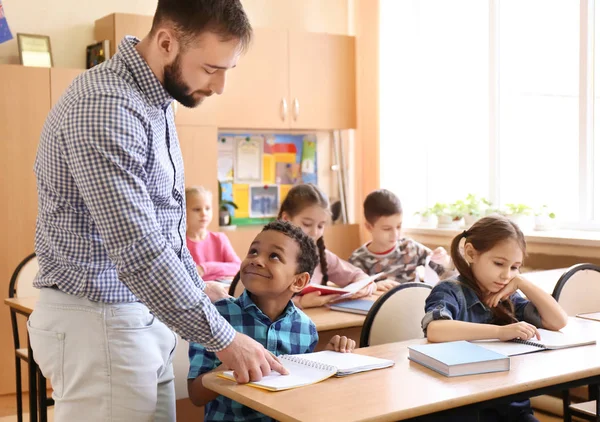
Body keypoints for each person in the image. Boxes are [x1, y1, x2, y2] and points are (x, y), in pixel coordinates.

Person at [27, 1, 286, 421]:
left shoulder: (153, 99)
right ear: (167, 42)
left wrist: (196, 286)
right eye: (211, 69)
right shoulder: (106, 106)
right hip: (101, 323)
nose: (219, 86)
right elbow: (139, 248)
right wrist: (225, 338)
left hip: (133, 319)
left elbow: (163, 227)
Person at [188, 220, 356, 421]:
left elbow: (300, 393)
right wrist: (228, 369)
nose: (257, 260)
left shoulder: (305, 328)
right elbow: (196, 395)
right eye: (253, 251)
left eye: (274, 256)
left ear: (299, 281)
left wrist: (328, 358)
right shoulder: (215, 317)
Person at [422, 215, 568, 422]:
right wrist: (500, 332)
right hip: (467, 407)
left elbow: (559, 321)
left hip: (510, 407)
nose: (506, 275)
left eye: (514, 267)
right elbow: (436, 329)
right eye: (499, 263)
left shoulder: (507, 296)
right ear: (471, 253)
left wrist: (521, 282)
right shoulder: (449, 291)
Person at [278, 184, 374, 309]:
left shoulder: (320, 256)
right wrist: (300, 302)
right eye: (307, 224)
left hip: (315, 323)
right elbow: (258, 300)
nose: (315, 233)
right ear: (286, 219)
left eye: (320, 226)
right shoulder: (269, 256)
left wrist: (365, 285)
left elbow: (357, 275)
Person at [349, 189, 453, 291]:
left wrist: (444, 260)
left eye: (399, 226)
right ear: (369, 227)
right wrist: (374, 286)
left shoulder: (410, 248)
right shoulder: (358, 260)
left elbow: (446, 273)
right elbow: (353, 291)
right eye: (387, 229)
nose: (395, 234)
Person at [186, 186, 241, 284]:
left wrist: (204, 268)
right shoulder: (180, 243)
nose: (204, 213)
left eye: (207, 208)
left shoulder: (220, 239)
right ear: (183, 212)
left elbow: (238, 267)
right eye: (197, 209)